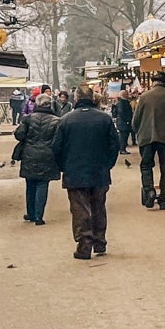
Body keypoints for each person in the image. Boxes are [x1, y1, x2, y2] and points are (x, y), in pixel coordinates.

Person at [53, 85, 122, 259]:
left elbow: (56, 147)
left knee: (80, 208)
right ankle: (100, 241)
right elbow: (115, 144)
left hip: (74, 172)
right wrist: (108, 164)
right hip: (99, 170)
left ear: (76, 98)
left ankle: (84, 244)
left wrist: (64, 166)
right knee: (98, 206)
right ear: (92, 98)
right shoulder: (104, 119)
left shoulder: (66, 120)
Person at [131, 72, 165, 209]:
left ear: (153, 82)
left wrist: (139, 133)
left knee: (146, 165)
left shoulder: (144, 97)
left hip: (146, 137)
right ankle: (164, 200)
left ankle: (149, 191)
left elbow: (135, 120)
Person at [14, 91, 60, 224]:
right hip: (47, 154)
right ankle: (39, 216)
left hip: (29, 154)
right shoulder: (56, 121)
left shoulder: (28, 119)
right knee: (42, 184)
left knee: (30, 183)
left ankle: (31, 213)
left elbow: (19, 135)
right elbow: (58, 140)